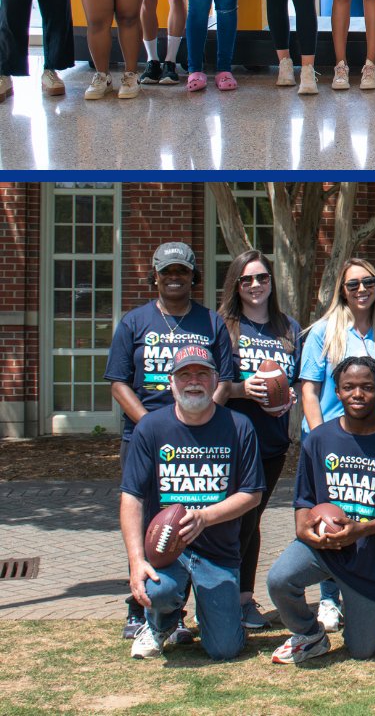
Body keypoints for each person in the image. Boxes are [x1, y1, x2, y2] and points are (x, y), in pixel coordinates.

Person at [104, 240, 235, 641]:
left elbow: (225, 381)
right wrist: (153, 426)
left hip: (203, 433)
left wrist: (200, 420)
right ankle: (142, 604)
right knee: (147, 517)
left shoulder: (211, 322)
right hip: (145, 434)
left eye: (182, 272)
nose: (174, 278)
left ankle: (185, 608)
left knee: (193, 514)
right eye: (167, 272)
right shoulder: (134, 321)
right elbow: (118, 382)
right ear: (155, 277)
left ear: (193, 276)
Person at [119, 346, 263, 660]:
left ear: (215, 382)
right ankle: (161, 623)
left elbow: (252, 494)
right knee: (159, 590)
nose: (193, 381)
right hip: (166, 550)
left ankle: (213, 615)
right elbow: (132, 497)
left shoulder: (239, 427)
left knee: (225, 649)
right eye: (184, 374)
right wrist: (136, 561)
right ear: (171, 382)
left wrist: (205, 517)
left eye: (202, 374)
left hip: (218, 551)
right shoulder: (151, 428)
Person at [268, 355, 375, 663]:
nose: (357, 394)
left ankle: (360, 615)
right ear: (336, 390)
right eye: (348, 387)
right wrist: (302, 529)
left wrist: (364, 529)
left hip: (370, 560)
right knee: (279, 579)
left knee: (362, 651)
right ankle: (309, 634)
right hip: (324, 549)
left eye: (366, 387)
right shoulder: (319, 439)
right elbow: (304, 499)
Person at [299, 256, 375, 632]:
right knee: (329, 515)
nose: (361, 290)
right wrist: (319, 438)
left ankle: (364, 590)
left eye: (368, 283)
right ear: (342, 289)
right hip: (330, 439)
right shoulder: (324, 331)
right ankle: (328, 598)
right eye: (353, 284)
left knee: (367, 517)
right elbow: (308, 390)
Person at [219, 250, 301, 631]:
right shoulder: (223, 325)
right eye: (247, 279)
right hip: (230, 439)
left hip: (270, 442)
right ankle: (218, 596)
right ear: (236, 284)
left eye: (262, 278)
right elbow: (212, 386)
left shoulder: (288, 328)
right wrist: (241, 388)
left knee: (252, 520)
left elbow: (295, 380)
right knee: (230, 520)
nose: (256, 285)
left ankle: (243, 599)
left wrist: (290, 395)